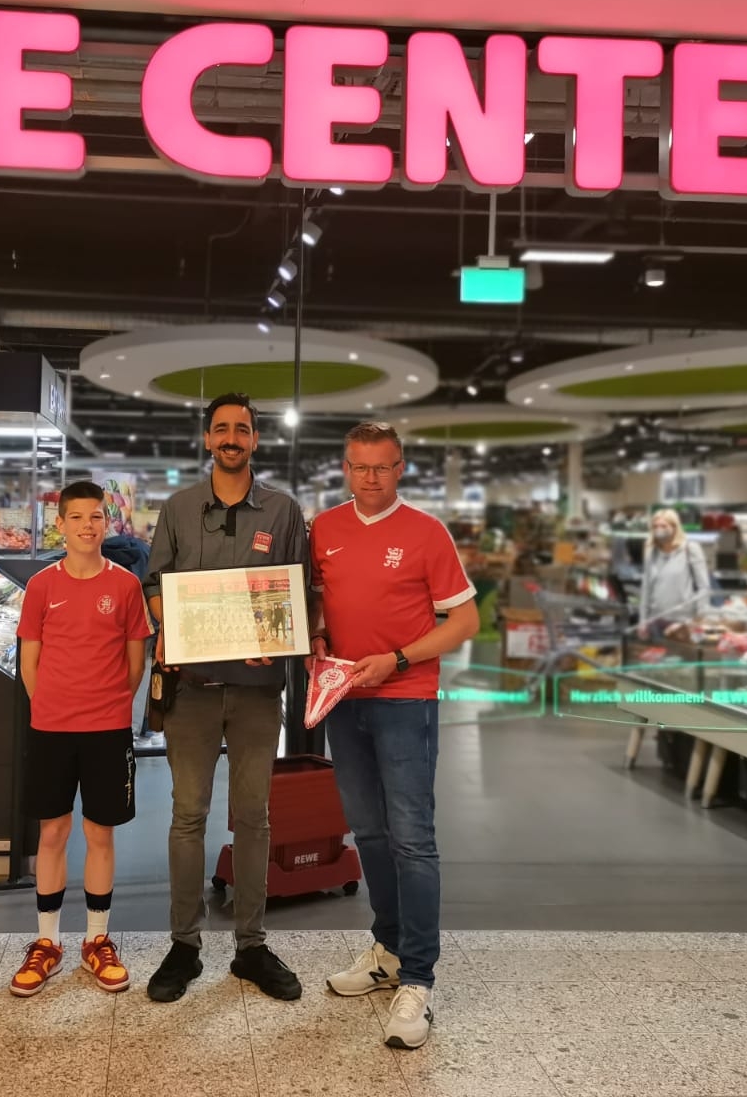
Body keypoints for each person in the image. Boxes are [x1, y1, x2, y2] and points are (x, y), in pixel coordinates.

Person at [310, 422, 480, 1049]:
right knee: (369, 831)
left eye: (382, 467)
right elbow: (318, 601)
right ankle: (386, 949)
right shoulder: (324, 528)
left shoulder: (426, 532)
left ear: (400, 468)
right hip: (343, 699)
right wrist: (318, 636)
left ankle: (418, 978)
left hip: (405, 700)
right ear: (346, 468)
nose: (370, 478)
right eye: (359, 467)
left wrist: (399, 659)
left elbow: (465, 620)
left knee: (412, 838)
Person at [143, 392, 308, 1004]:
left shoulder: (283, 511)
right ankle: (184, 945)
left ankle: (251, 946)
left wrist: (282, 635)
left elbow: (297, 590)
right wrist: (170, 627)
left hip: (258, 693)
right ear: (208, 438)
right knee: (188, 815)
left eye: (242, 429)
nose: (232, 438)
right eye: (222, 429)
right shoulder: (180, 508)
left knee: (254, 817)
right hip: (191, 691)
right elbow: (155, 583)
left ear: (255, 440)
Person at [11, 480, 152, 997]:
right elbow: (30, 659)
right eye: (77, 517)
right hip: (51, 728)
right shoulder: (41, 586)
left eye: (95, 517)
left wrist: (109, 705)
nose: (87, 526)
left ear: (106, 523)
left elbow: (135, 663)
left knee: (100, 833)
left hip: (107, 729)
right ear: (61, 525)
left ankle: (97, 939)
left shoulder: (126, 586)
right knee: (52, 832)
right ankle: (47, 942)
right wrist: (51, 706)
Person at [639, 508, 709, 628]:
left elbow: (703, 586)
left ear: (675, 527)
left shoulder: (690, 548)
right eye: (655, 526)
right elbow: (646, 588)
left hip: (683, 621)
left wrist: (701, 616)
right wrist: (643, 620)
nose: (658, 529)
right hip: (655, 620)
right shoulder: (651, 552)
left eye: (663, 526)